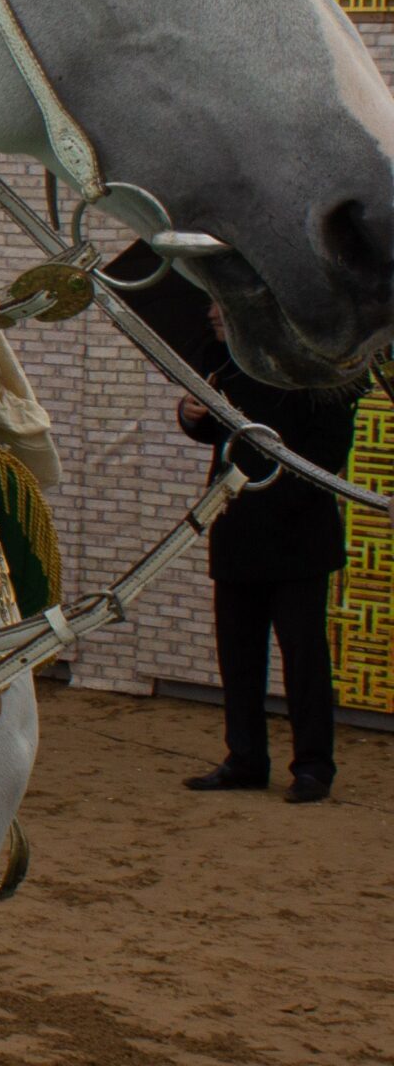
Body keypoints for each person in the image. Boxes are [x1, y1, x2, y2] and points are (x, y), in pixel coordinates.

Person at [179, 302, 361, 803]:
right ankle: (245, 759)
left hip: (298, 539)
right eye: (211, 303)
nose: (213, 312)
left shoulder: (309, 372)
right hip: (236, 531)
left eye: (221, 304)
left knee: (303, 659)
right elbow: (212, 435)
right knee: (237, 657)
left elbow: (328, 452)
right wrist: (190, 413)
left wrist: (268, 496)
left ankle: (313, 767)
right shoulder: (222, 365)